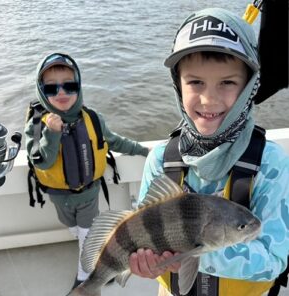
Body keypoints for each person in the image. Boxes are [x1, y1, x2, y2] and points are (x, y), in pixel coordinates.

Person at [129, 7, 289, 296]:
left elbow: (274, 260)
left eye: (227, 82)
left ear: (249, 87)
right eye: (195, 82)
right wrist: (144, 261)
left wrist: (192, 253)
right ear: (178, 85)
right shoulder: (161, 159)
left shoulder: (271, 163)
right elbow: (142, 232)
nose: (208, 98)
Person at [24, 52, 149, 292]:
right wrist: (51, 133)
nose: (61, 93)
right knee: (71, 226)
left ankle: (85, 279)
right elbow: (42, 161)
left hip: (89, 194)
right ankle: (98, 257)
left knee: (87, 237)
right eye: (51, 88)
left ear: (79, 86)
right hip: (59, 196)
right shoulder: (37, 125)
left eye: (69, 86)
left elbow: (115, 142)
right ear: (41, 91)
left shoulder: (92, 118)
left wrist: (145, 151)